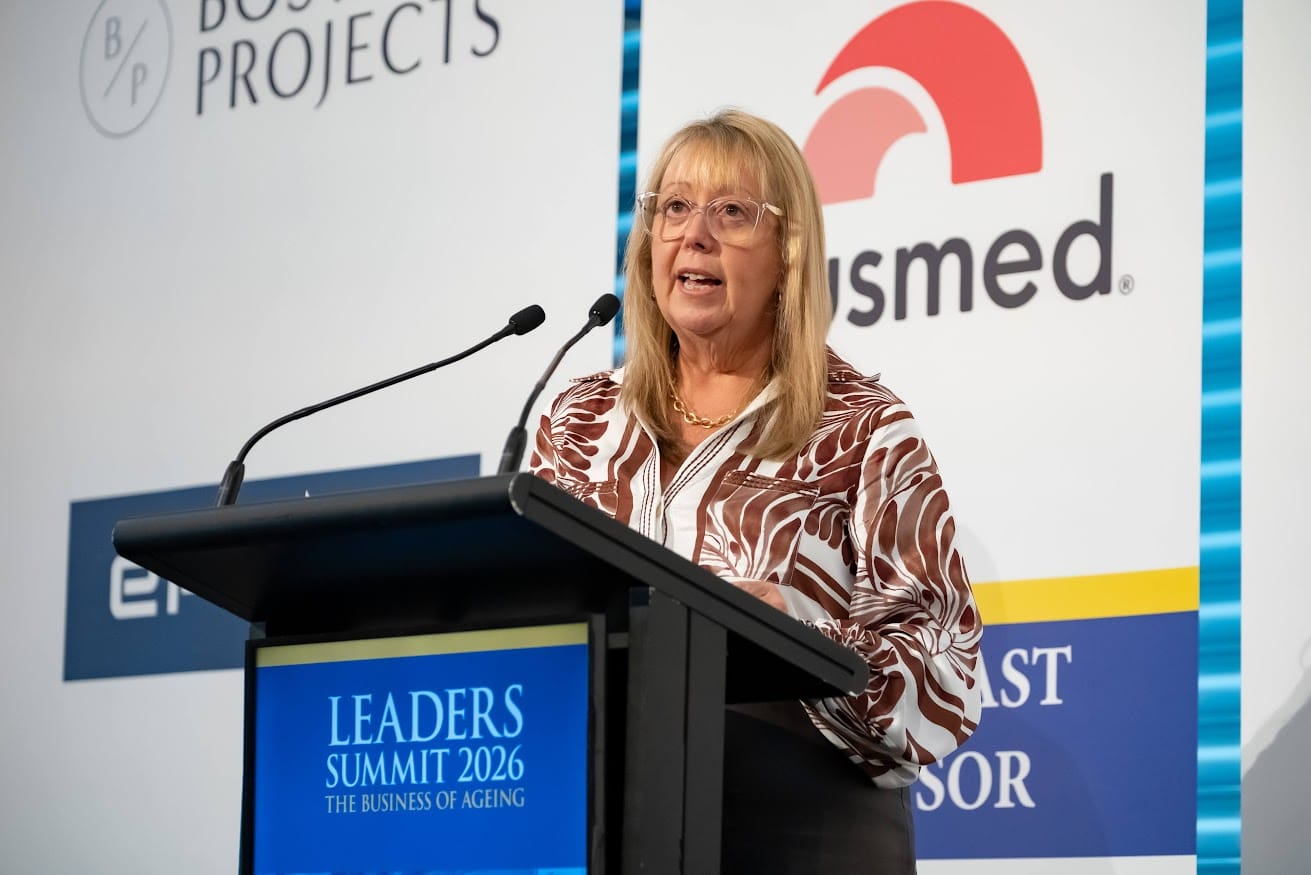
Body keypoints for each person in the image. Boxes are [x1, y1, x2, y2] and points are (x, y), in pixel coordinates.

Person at [530, 109, 981, 873]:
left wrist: (800, 636)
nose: (694, 235)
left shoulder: (862, 426)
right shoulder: (580, 419)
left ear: (788, 251)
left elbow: (946, 671)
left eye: (732, 212)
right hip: (595, 822)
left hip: (796, 833)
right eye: (674, 207)